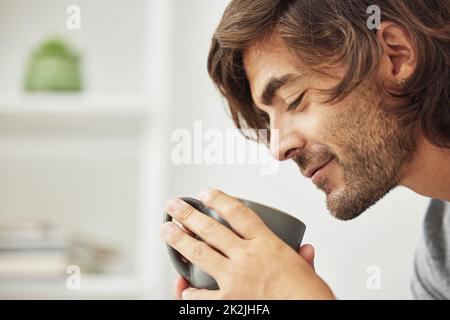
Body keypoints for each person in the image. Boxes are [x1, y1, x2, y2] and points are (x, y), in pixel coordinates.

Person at [160, 0, 450, 299]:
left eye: (294, 99)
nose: (278, 148)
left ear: (396, 54)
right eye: (268, 119)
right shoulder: (439, 247)